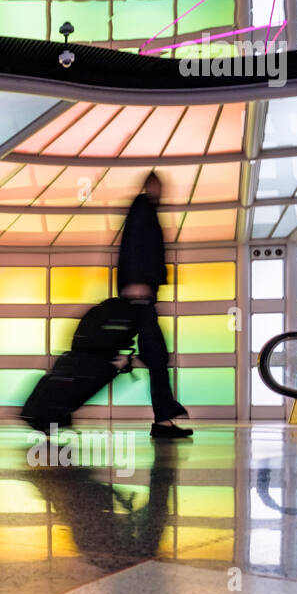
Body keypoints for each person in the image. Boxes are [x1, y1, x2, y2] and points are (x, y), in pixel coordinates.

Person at [118, 172, 192, 439]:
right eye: (158, 186)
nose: (161, 191)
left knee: (156, 356)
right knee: (157, 356)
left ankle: (164, 419)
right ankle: (164, 417)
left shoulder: (145, 210)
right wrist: (136, 283)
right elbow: (135, 248)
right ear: (149, 186)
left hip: (141, 295)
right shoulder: (142, 210)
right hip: (140, 297)